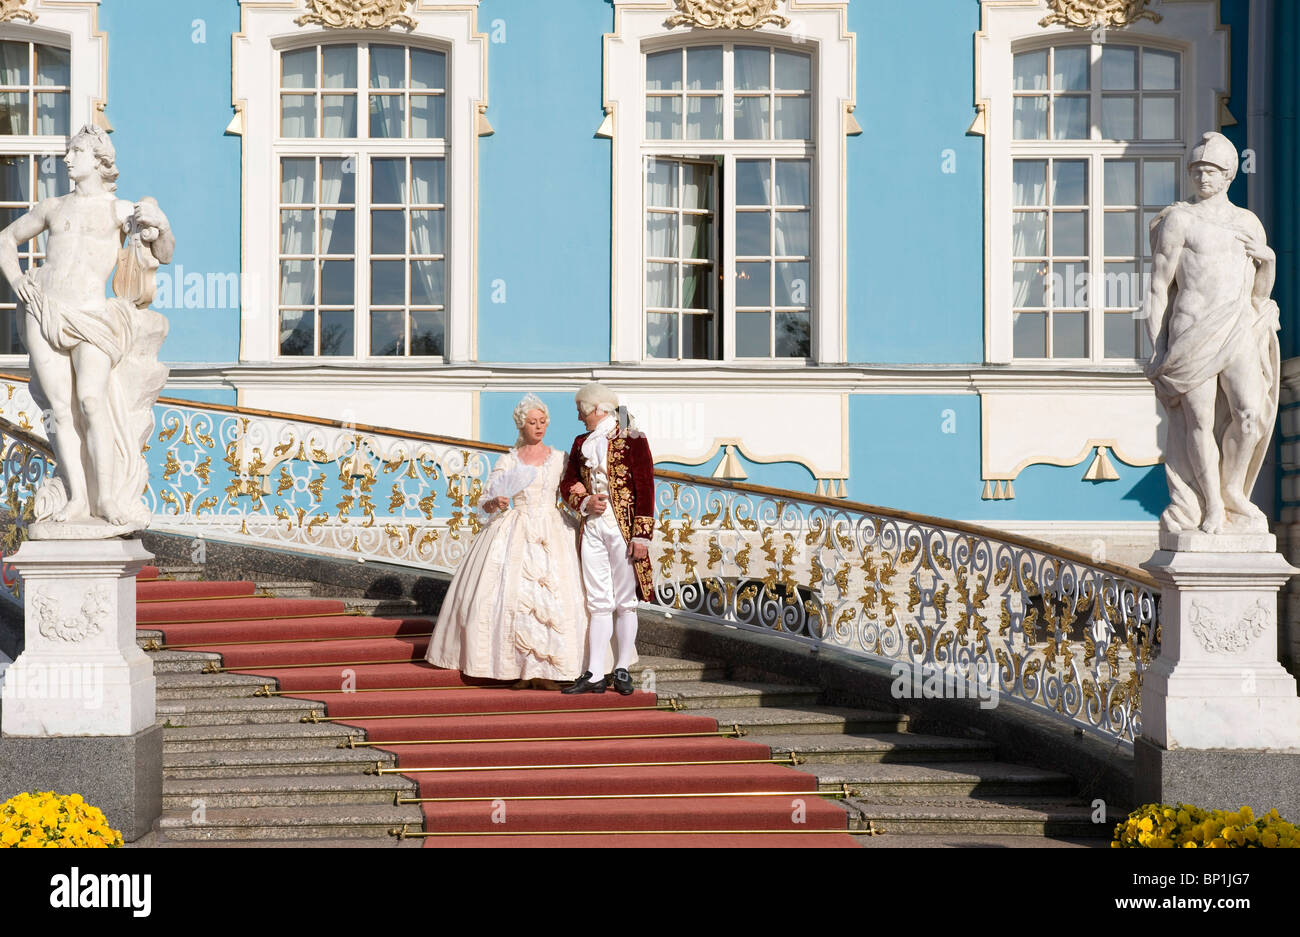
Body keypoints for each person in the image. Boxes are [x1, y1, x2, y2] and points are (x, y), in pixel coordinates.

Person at [0, 123, 173, 530]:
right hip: (44, 311)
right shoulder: (52, 207)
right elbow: (5, 239)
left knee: (91, 403)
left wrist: (161, 224)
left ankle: (107, 497)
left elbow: (163, 254)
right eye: (68, 152)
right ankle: (78, 499)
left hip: (93, 316)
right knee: (60, 411)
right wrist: (19, 280)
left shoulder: (120, 210)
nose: (66, 159)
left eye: (75, 152)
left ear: (99, 160)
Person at [1144, 131, 1279, 536]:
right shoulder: (1180, 219)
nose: (1203, 178)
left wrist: (1268, 260)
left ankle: (1234, 489)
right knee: (1199, 421)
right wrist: (1156, 348)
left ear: (1229, 175)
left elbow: (1259, 294)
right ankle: (1213, 506)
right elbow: (1157, 288)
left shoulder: (1246, 222)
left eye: (1212, 171)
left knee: (1251, 415)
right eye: (1197, 170)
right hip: (1190, 331)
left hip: (1236, 328)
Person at [425, 395, 587, 689]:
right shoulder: (508, 459)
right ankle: (518, 667)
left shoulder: (561, 458)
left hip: (554, 528)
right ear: (521, 425)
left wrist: (580, 492)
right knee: (513, 597)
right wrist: (496, 501)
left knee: (557, 596)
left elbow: (570, 491)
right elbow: (485, 500)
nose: (538, 427)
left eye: (542, 422)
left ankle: (552, 670)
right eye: (532, 422)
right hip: (517, 527)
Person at [559, 382, 655, 696]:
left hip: (624, 530)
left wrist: (642, 535)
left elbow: (646, 486)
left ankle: (623, 668)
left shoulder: (633, 438)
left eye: (580, 411)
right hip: (592, 528)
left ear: (595, 408)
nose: (578, 418)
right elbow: (568, 482)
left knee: (625, 603)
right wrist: (585, 502)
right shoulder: (580, 442)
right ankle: (594, 673)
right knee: (597, 602)